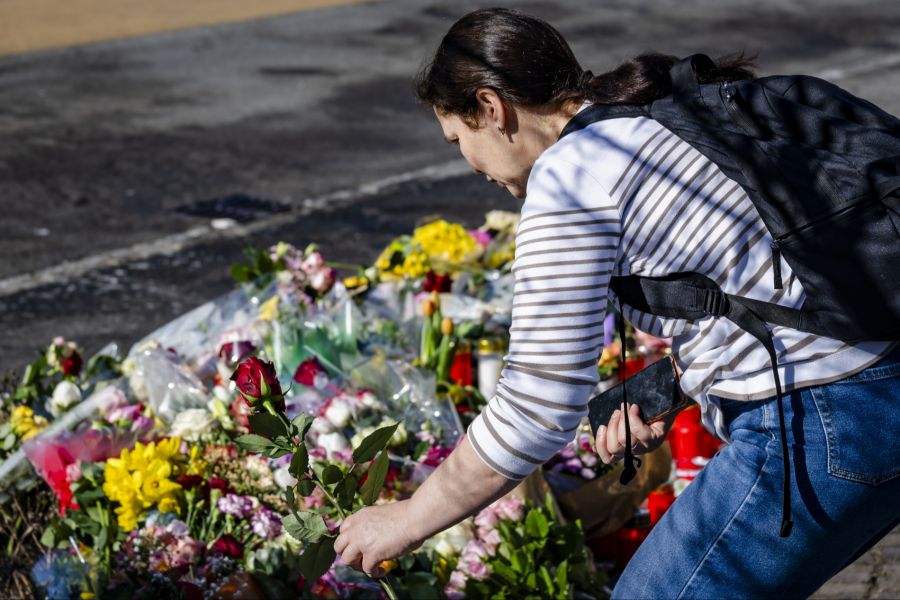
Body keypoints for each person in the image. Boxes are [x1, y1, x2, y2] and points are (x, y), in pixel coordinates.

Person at [334, 8, 900, 598]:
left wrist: (409, 518)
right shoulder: (650, 123)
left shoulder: (571, 177)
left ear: (492, 108)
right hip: (878, 390)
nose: (469, 164)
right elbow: (765, 284)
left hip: (821, 426)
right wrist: (676, 384)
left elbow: (537, 404)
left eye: (459, 139)